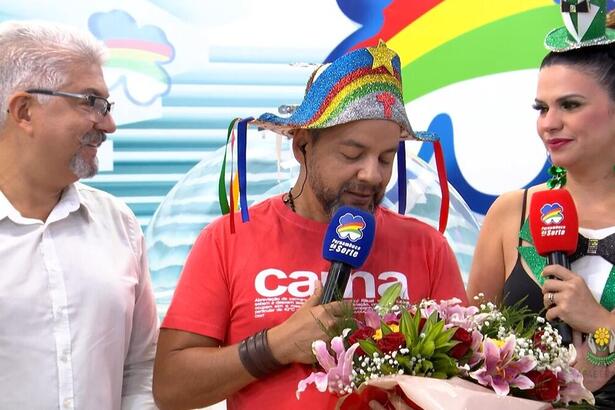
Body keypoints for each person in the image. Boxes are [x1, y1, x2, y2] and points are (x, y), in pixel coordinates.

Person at [153, 42, 467, 410]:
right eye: (352, 154)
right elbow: (171, 387)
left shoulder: (427, 247)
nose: (372, 174)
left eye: (386, 158)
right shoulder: (228, 239)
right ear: (302, 146)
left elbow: (465, 380)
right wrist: (276, 346)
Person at [0, 21, 158, 409]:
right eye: (90, 102)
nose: (109, 124)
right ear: (24, 111)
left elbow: (141, 369)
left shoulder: (118, 222)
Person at [467, 1, 615, 407]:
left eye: (570, 105)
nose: (549, 123)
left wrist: (600, 324)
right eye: (542, 108)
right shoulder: (509, 214)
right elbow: (466, 348)